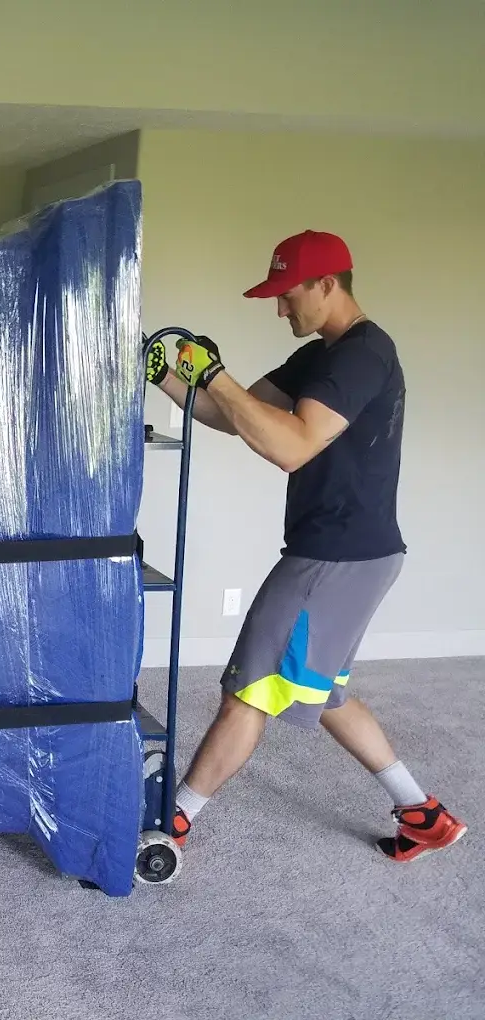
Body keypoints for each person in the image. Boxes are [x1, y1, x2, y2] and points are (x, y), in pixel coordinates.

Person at [144, 229, 466, 862]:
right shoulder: (320, 355)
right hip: (354, 552)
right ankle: (422, 814)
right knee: (323, 692)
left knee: (251, 688)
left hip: (335, 557)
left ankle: (173, 822)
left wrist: (216, 374)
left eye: (287, 294)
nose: (279, 308)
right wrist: (169, 378)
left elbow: (290, 447)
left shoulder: (364, 354)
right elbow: (233, 417)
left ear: (326, 284)